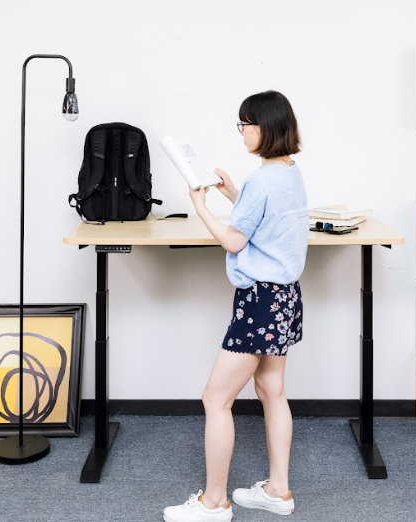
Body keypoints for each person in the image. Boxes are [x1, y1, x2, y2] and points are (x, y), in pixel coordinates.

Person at [163, 91, 308, 522]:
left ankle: (214, 503)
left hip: (260, 300)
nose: (242, 131)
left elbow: (234, 240)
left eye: (245, 123)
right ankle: (278, 492)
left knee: (215, 398)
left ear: (266, 127)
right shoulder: (288, 173)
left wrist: (201, 206)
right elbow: (267, 220)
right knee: (272, 391)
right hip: (285, 297)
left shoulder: (263, 179)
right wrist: (234, 195)